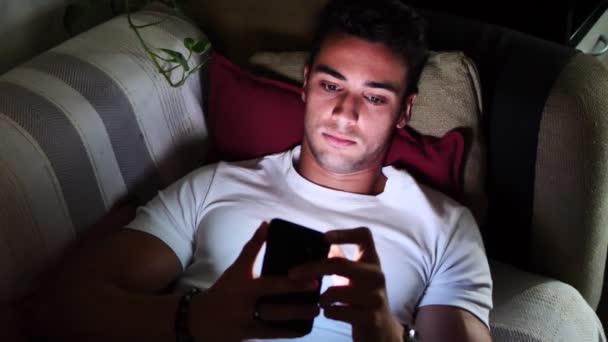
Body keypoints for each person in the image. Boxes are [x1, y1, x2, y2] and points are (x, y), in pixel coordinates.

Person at [28, 0, 493, 341]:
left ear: (404, 111)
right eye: (332, 85)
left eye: (374, 97)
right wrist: (196, 319)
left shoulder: (444, 225)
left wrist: (388, 337)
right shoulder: (216, 183)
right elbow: (68, 306)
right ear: (307, 83)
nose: (346, 113)